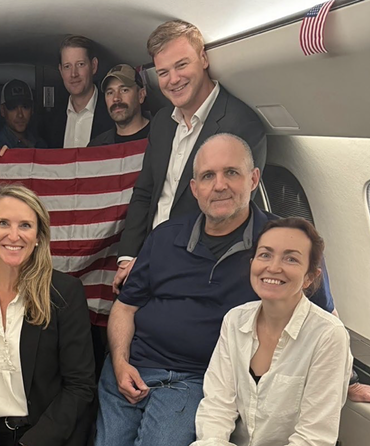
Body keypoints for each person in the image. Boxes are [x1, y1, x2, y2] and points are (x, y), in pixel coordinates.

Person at [95, 134, 334, 446]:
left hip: (199, 379)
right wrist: (120, 361)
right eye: (208, 176)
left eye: (231, 172)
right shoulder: (164, 236)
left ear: (253, 179)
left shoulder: (282, 244)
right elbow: (125, 307)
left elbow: (321, 317)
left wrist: (346, 380)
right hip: (131, 367)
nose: (219, 185)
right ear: (195, 189)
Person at [113, 19, 267, 293]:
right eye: (163, 72)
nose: (173, 80)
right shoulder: (162, 122)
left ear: (203, 59)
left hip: (198, 268)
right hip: (147, 258)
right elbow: (145, 193)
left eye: (182, 65)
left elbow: (227, 215)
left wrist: (161, 262)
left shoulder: (241, 125)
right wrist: (128, 258)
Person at [0, 184, 96, 446]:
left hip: (49, 438)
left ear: (38, 236)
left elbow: (80, 388)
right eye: (3, 223)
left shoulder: (63, 293)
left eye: (25, 225)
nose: (14, 235)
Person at [191, 217, 352, 446]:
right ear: (252, 263)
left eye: (291, 258)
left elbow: (313, 437)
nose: (274, 267)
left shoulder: (328, 335)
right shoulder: (234, 320)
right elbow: (217, 407)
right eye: (265, 254)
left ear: (309, 277)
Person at [46, 35, 113, 148]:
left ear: (94, 66)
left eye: (80, 64)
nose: (74, 74)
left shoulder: (113, 112)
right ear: (61, 71)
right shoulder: (51, 120)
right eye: (67, 66)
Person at [88, 64, 150, 146]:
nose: (116, 98)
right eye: (110, 93)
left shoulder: (163, 136)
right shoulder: (96, 147)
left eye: (124, 90)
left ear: (141, 95)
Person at [0, 79, 48, 149]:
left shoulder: (39, 144)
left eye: (25, 106)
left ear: (32, 109)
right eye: (13, 107)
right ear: (2, 110)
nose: (20, 115)